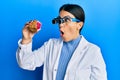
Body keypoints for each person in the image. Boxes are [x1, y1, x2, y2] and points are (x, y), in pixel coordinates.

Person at [16, 4, 107, 80]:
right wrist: (26, 39)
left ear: (79, 25)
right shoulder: (51, 45)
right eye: (59, 20)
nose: (61, 24)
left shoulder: (93, 51)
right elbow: (25, 63)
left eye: (66, 20)